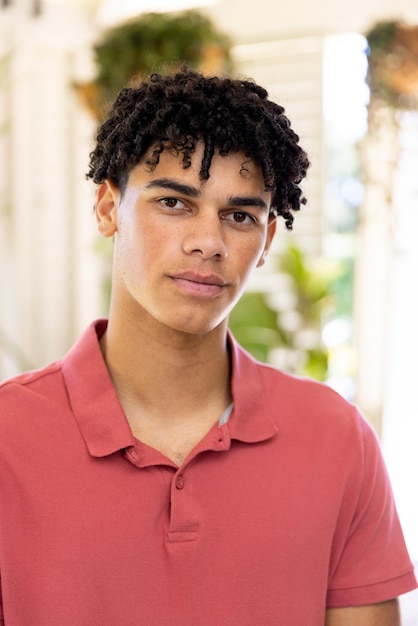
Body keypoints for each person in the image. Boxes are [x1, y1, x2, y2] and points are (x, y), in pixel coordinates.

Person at [0, 66, 416, 626]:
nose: (208, 243)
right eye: (173, 203)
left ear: (266, 241)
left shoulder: (338, 440)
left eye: (239, 216)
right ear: (107, 208)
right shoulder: (8, 437)